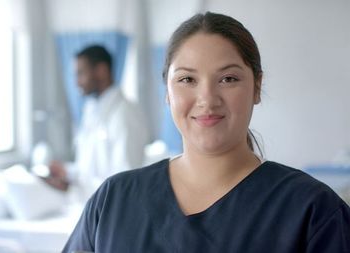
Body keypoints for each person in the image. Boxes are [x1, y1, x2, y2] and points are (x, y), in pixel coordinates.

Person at [63, 12, 350, 252]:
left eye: (228, 78)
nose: (207, 99)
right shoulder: (112, 202)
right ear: (168, 91)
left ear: (257, 87)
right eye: (187, 79)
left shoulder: (312, 211)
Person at [46, 45, 150, 200]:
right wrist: (67, 174)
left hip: (110, 213)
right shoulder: (91, 110)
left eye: (81, 73)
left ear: (101, 70)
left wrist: (74, 188)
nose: (77, 83)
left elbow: (125, 182)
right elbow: (90, 170)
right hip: (91, 208)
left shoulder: (125, 114)